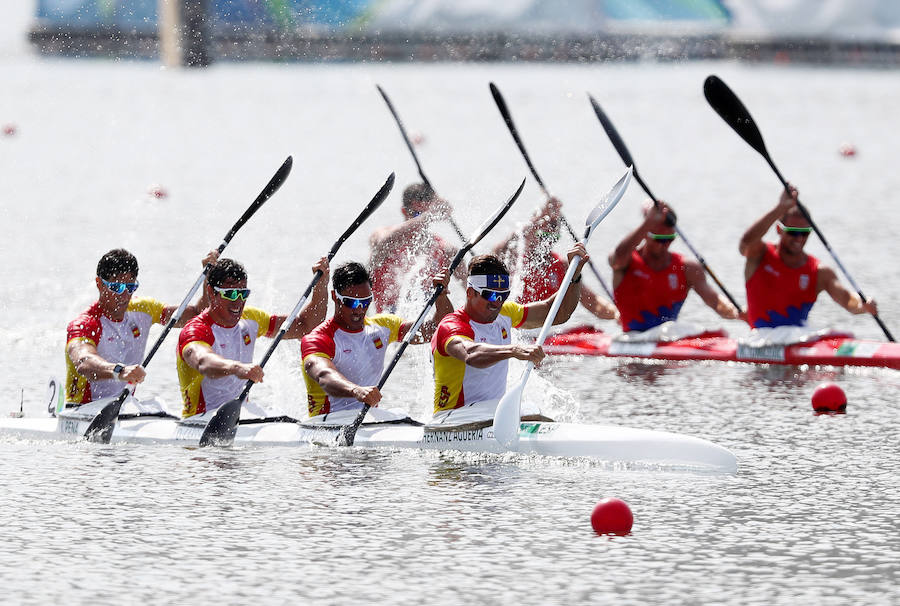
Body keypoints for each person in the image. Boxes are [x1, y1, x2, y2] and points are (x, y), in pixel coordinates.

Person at [430, 245, 588, 423]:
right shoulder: (452, 325)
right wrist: (513, 350)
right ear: (470, 292)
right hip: (451, 418)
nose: (497, 303)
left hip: (489, 415)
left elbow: (558, 313)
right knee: (530, 413)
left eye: (503, 296)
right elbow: (470, 354)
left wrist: (574, 275)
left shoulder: (505, 313)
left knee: (529, 410)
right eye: (490, 296)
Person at [176, 256, 329, 418]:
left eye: (243, 293)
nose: (238, 302)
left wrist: (321, 285)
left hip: (240, 415)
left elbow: (306, 326)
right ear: (211, 293)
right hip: (201, 419)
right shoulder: (196, 330)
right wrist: (238, 368)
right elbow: (203, 362)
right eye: (231, 294)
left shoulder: (251, 319)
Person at [301, 261, 452, 419]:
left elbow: (436, 329)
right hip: (327, 422)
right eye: (351, 302)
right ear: (335, 297)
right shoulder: (318, 339)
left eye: (366, 301)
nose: (359, 309)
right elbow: (324, 376)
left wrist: (441, 297)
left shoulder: (383, 326)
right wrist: (356, 390)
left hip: (367, 418)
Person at [65, 248, 215, 406]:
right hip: (83, 408)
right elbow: (84, 362)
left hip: (123, 407)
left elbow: (198, 314)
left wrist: (208, 279)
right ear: (100, 284)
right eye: (117, 288)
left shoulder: (144, 309)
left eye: (130, 287)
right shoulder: (85, 324)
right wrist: (120, 372)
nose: (124, 296)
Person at [740, 184, 877, 329]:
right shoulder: (759, 254)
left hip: (799, 340)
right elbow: (745, 243)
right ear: (779, 229)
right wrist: (780, 208)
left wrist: (863, 305)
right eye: (793, 232)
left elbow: (847, 300)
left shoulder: (819, 272)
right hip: (760, 341)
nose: (799, 238)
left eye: (804, 232)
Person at [609, 201, 739, 332]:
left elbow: (715, 301)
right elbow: (617, 258)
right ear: (645, 234)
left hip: (668, 338)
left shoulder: (688, 268)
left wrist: (735, 311)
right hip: (631, 339)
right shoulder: (625, 261)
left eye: (670, 239)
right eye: (659, 239)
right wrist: (648, 222)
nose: (664, 245)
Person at [494, 196, 618, 320]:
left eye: (552, 237)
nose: (547, 242)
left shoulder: (562, 265)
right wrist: (540, 216)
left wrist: (618, 314)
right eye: (542, 235)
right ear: (530, 231)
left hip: (549, 330)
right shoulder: (514, 260)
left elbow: (592, 301)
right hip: (520, 327)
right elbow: (497, 253)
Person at [368, 183, 463, 313]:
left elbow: (470, 288)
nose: (421, 221)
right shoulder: (382, 235)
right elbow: (383, 243)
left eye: (424, 213)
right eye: (417, 214)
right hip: (388, 322)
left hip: (426, 320)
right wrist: (428, 215)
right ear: (403, 211)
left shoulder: (445, 250)